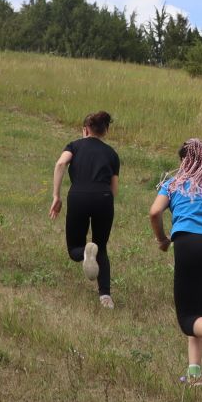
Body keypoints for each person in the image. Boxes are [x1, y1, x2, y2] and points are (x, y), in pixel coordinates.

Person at [149, 138, 202, 384]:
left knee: (187, 320)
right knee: (198, 313)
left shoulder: (174, 184)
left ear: (183, 160)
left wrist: (162, 239)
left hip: (185, 244)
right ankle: (195, 373)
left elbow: (154, 212)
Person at [49, 111, 120, 308]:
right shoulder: (112, 153)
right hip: (104, 198)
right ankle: (105, 296)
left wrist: (56, 195)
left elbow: (61, 162)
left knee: (74, 250)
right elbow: (114, 189)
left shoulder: (75, 145)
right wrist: (104, 201)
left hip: (79, 196)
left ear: (85, 129)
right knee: (102, 247)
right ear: (105, 131)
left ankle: (85, 254)